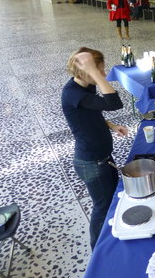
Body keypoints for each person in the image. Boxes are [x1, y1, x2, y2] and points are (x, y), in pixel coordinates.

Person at [61, 47, 128, 249]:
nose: (104, 74)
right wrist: (95, 74)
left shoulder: (84, 88)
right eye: (101, 70)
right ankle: (98, 250)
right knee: (102, 206)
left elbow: (94, 112)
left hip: (102, 157)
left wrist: (112, 125)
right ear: (86, 72)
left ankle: (110, 236)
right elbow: (114, 103)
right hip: (91, 162)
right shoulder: (73, 93)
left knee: (111, 199)